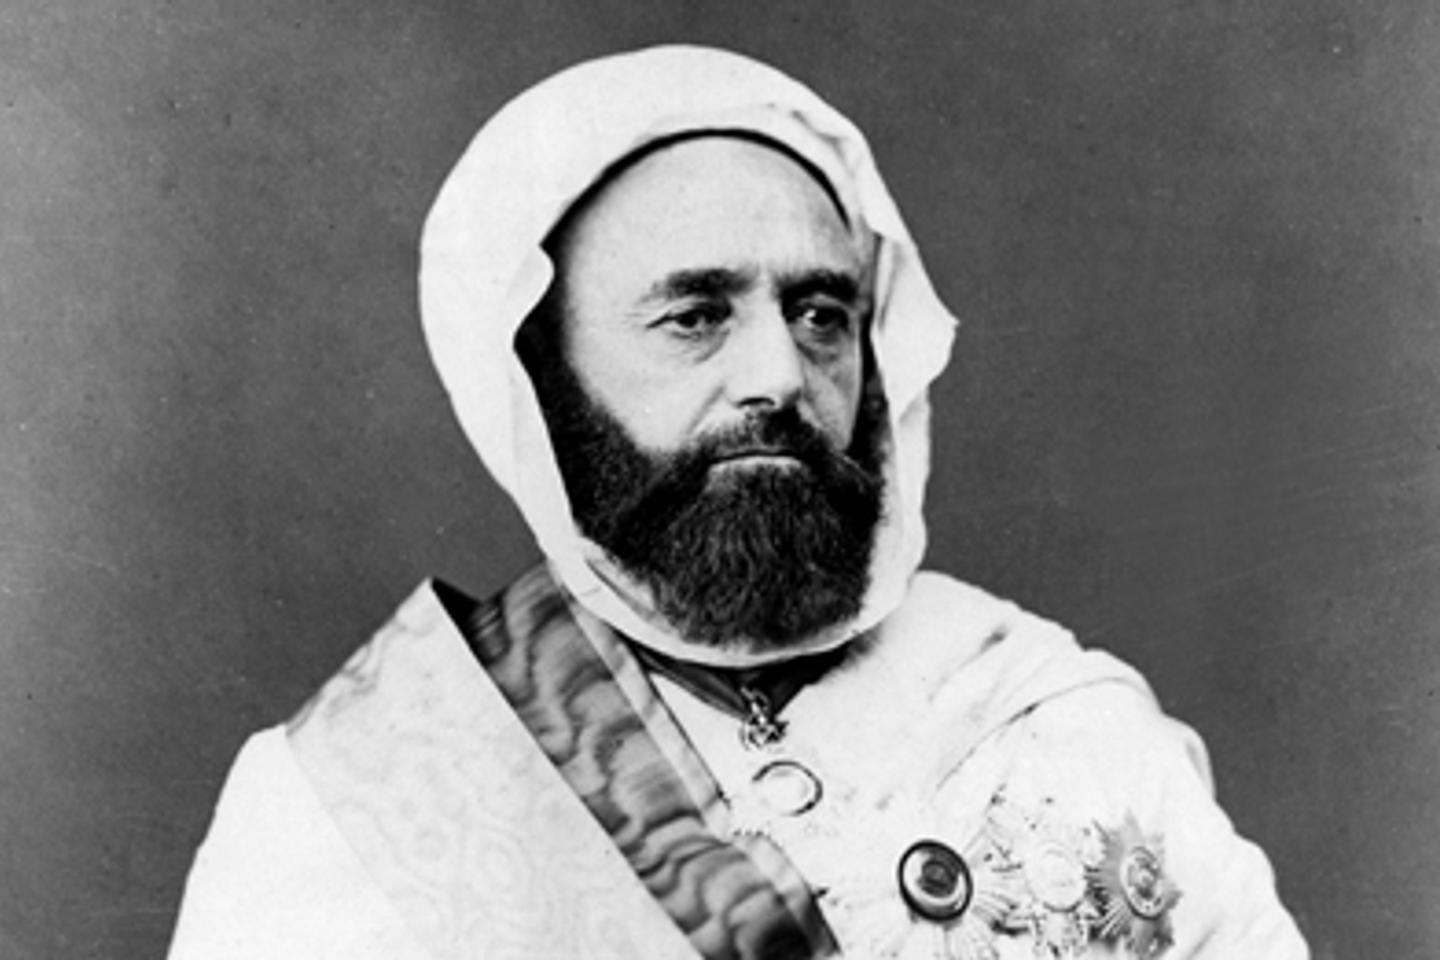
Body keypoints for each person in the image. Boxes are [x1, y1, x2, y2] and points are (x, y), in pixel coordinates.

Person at [167, 46, 1308, 960]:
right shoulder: (360, 795)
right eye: (695, 316)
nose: (777, 375)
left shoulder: (1052, 713)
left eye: (820, 315)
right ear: (544, 378)